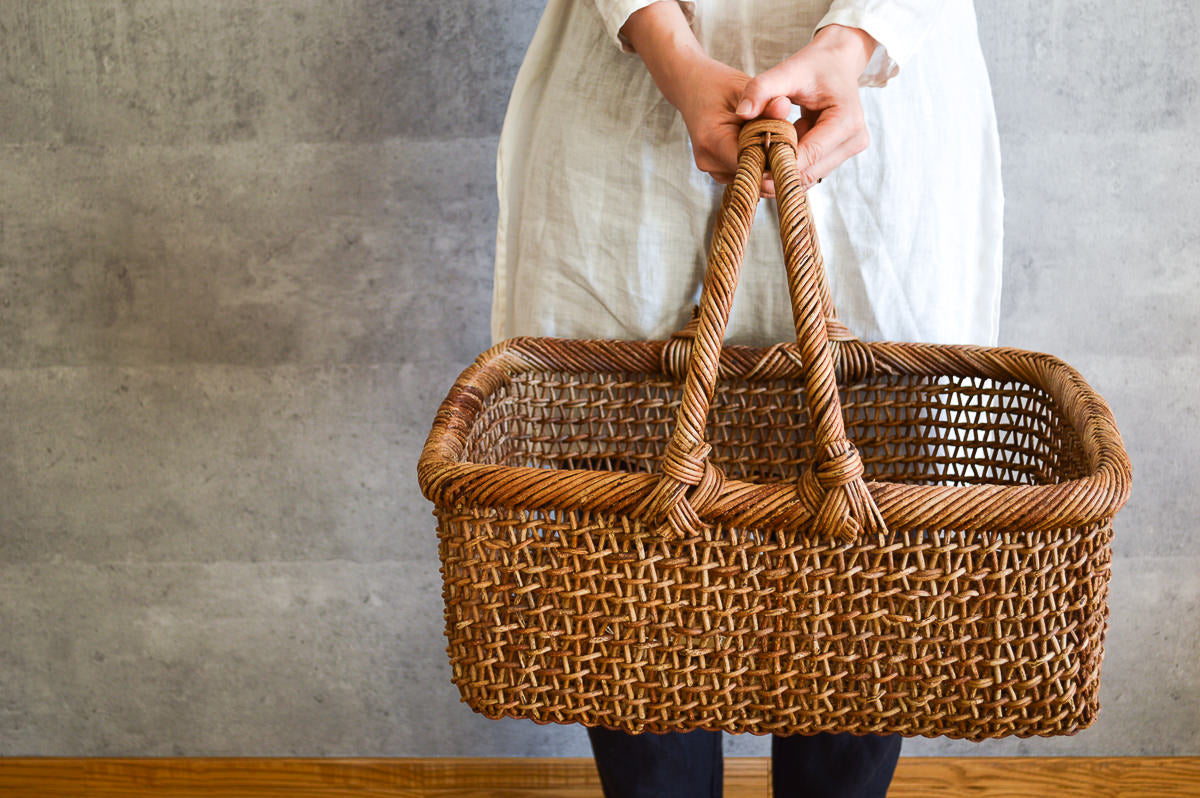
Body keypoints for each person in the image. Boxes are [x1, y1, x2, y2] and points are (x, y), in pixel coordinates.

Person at [491, 1, 1003, 796]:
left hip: (881, 126)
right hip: (632, 114)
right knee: (637, 577)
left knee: (862, 580)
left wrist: (858, 36)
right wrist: (674, 54)